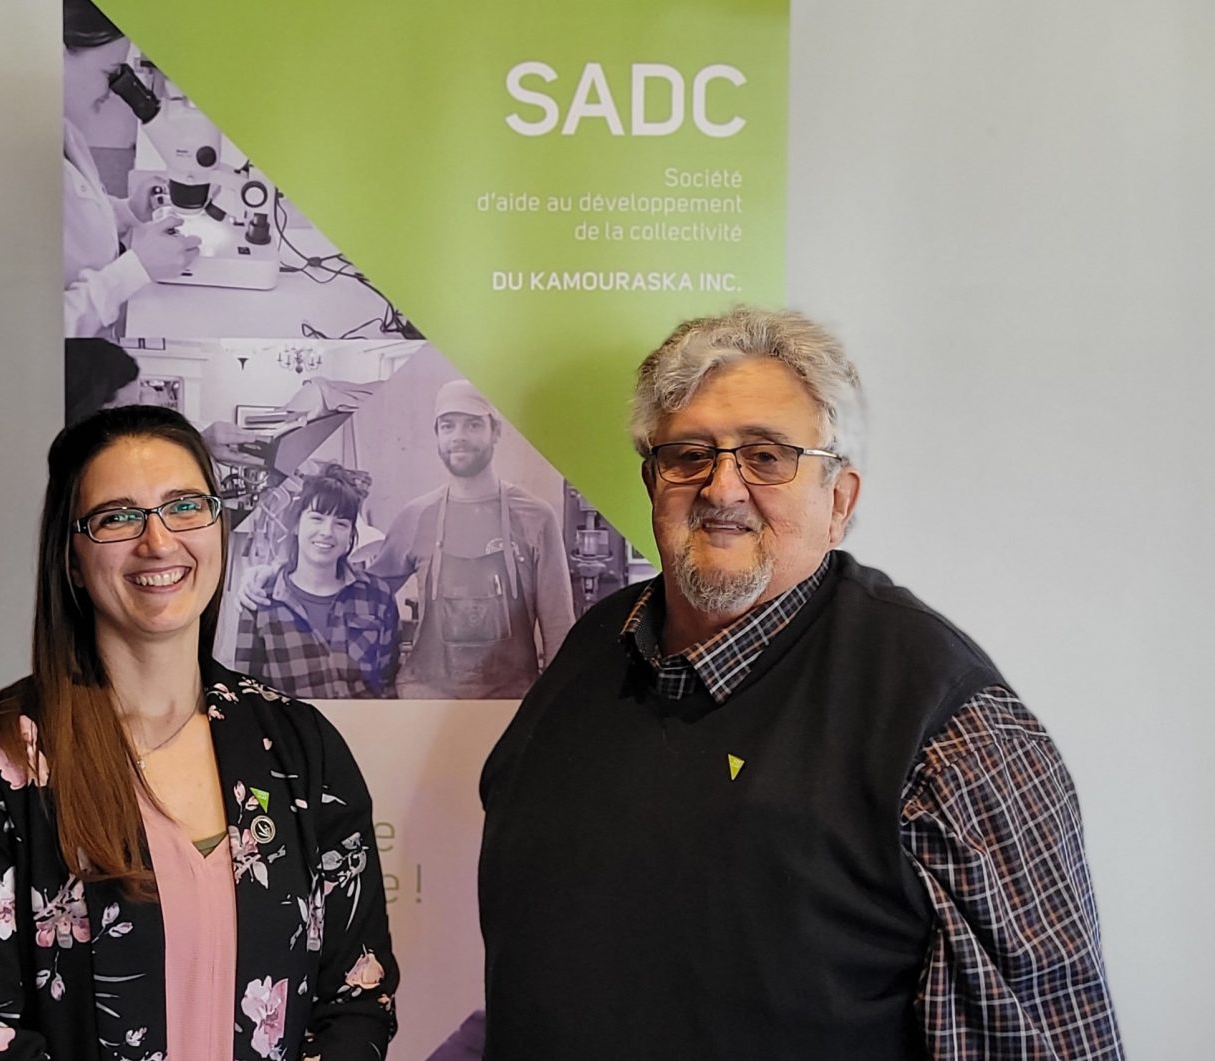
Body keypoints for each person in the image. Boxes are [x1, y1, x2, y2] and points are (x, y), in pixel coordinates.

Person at [476, 307, 1122, 1059]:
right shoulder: (594, 646)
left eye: (766, 455)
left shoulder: (947, 725)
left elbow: (1039, 1043)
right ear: (653, 481)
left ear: (839, 499)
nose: (722, 487)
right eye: (689, 454)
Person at [0, 406, 397, 1061]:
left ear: (219, 526)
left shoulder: (301, 748)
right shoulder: (1, 760)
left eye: (185, 506)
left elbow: (358, 996)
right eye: (117, 517)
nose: (158, 541)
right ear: (71, 557)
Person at [241, 379, 575, 699]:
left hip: (510, 701)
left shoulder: (535, 517)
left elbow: (559, 627)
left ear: (496, 431)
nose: (459, 436)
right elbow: (357, 587)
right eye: (448, 426)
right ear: (437, 434)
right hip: (424, 700)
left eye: (473, 425)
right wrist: (272, 573)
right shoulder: (416, 516)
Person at [63, 0, 198, 338]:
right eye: (110, 73)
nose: (113, 92)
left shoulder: (64, 129)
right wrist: (135, 269)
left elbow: (71, 215)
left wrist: (127, 211)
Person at [235, 464, 400, 698]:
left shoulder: (378, 597)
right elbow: (246, 693)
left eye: (341, 523)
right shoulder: (261, 600)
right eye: (317, 518)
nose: (327, 532)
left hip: (363, 721)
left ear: (351, 535)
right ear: (296, 525)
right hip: (291, 723)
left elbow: (388, 684)